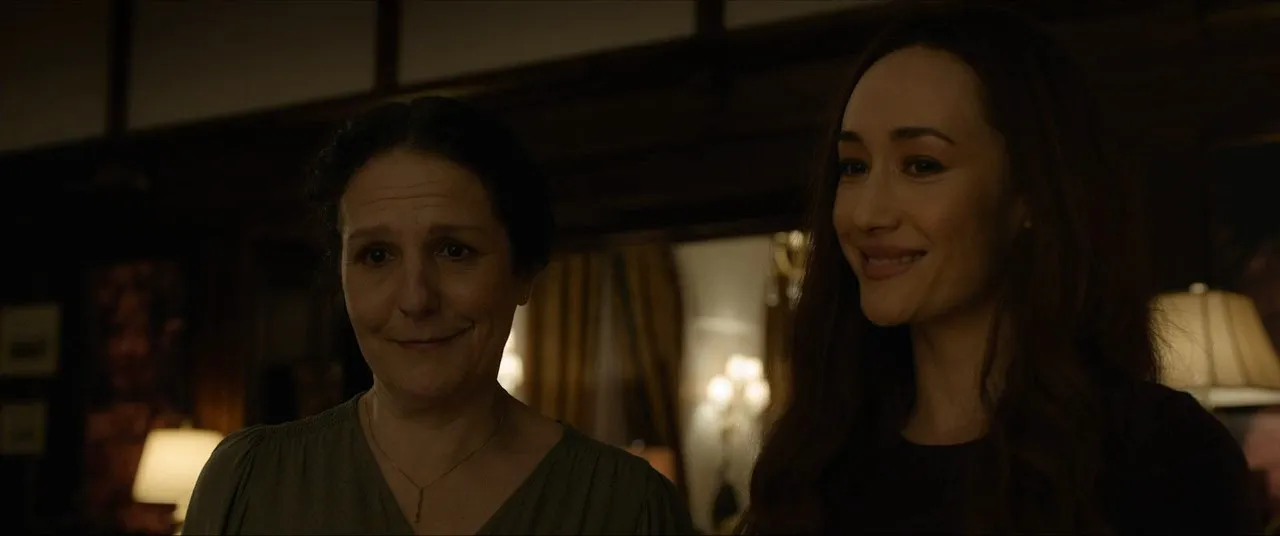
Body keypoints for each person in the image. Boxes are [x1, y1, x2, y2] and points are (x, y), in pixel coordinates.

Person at [740, 4, 1263, 535]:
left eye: (921, 165)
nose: (866, 214)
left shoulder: (1159, 456)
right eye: (853, 167)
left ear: (1028, 194)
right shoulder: (811, 473)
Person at [183, 97, 694, 535]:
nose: (416, 299)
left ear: (523, 273)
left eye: (454, 250)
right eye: (376, 255)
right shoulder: (248, 483)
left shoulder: (627, 508)